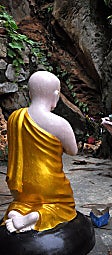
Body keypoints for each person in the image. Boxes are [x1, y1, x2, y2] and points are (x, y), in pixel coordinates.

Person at [3, 71, 78, 233]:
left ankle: (17, 212)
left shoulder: (15, 118)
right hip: (49, 185)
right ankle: (39, 215)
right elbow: (73, 151)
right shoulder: (59, 123)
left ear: (30, 93)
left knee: (22, 203)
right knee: (64, 206)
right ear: (56, 95)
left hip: (20, 186)